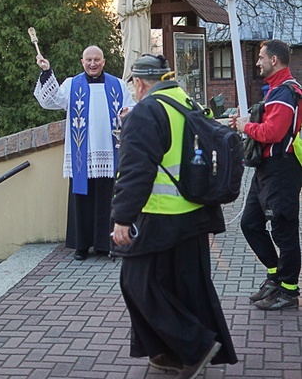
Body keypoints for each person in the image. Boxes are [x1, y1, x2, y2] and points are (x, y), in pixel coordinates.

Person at [110, 54, 237, 379]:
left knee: (137, 284)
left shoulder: (145, 112)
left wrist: (123, 218)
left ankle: (193, 346)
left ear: (139, 83)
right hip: (196, 213)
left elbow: (135, 171)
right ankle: (171, 352)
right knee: (188, 286)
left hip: (160, 216)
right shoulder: (186, 101)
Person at [34, 46, 135, 260]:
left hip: (110, 151)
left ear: (103, 61)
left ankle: (106, 245)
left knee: (109, 198)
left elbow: (133, 107)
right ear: (82, 62)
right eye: (88, 60)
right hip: (82, 154)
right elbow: (49, 101)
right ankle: (81, 246)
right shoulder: (72, 84)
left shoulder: (118, 84)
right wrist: (46, 72)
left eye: (96, 59)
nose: (92, 63)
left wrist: (128, 113)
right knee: (82, 199)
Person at [233, 39, 302, 310]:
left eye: (261, 57)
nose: (257, 61)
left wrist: (247, 127)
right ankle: (275, 275)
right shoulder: (275, 90)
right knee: (250, 223)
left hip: (281, 170)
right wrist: (247, 122)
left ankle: (289, 290)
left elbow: (273, 133)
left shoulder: (286, 92)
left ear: (275, 60)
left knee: (284, 230)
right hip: (266, 170)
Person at [117, 0, 153, 82]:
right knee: (132, 50)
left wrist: (145, 4)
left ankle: (143, 76)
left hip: (142, 21)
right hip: (132, 23)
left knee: (143, 49)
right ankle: (130, 78)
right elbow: (121, 9)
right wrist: (134, 8)